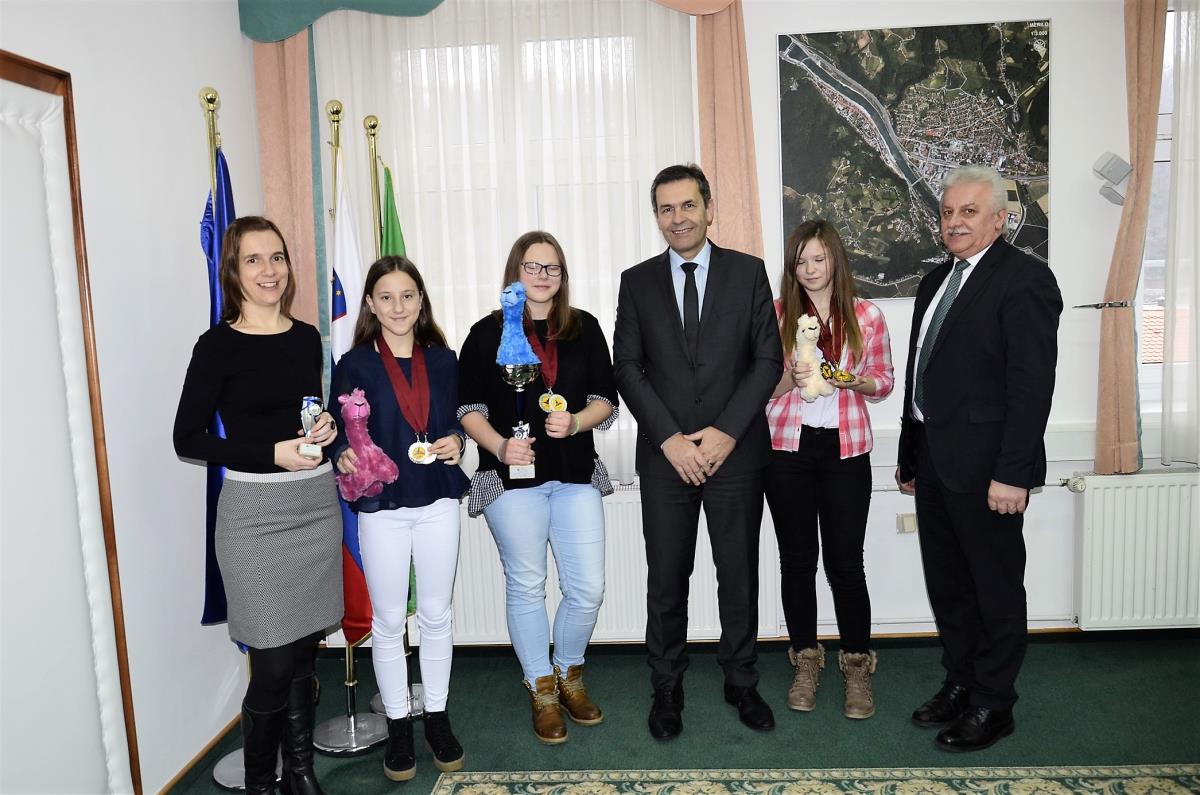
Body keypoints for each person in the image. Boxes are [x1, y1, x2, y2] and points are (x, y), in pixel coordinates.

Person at [613, 164, 782, 740]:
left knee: (738, 574)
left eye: (687, 205)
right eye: (666, 209)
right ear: (656, 216)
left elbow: (767, 361)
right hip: (666, 458)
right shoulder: (637, 282)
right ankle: (667, 685)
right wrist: (669, 439)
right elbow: (627, 368)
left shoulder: (748, 272)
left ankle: (742, 680)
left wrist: (725, 432)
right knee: (667, 578)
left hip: (736, 453)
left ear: (709, 208)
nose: (677, 218)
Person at [173, 216, 342, 795]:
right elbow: (188, 438)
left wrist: (325, 428)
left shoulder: (306, 337)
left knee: (302, 654)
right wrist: (270, 454)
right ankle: (260, 784)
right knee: (270, 664)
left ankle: (299, 771)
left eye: (277, 257)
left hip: (315, 506)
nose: (269, 271)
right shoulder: (217, 345)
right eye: (253, 260)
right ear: (233, 270)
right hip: (253, 516)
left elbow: (301, 415)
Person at [896, 165, 1062, 752]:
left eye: (968, 212)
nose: (955, 222)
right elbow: (922, 374)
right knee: (949, 587)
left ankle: (995, 702)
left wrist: (1012, 473)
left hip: (991, 472)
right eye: (947, 212)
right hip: (936, 465)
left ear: (1000, 218)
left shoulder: (1025, 280)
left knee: (994, 589)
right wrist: (910, 456)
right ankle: (961, 682)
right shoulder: (934, 282)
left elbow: (1031, 387)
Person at [458, 231, 619, 745]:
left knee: (587, 588)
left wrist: (576, 422)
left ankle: (569, 672)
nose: (543, 276)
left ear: (563, 275)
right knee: (526, 586)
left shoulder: (584, 327)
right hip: (512, 481)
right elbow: (467, 409)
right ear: (515, 271)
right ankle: (541, 688)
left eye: (552, 267)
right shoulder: (485, 333)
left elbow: (607, 400)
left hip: (574, 475)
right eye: (532, 266)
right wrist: (501, 446)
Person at [329, 256, 469, 780]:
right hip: (382, 507)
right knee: (388, 622)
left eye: (407, 295)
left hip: (436, 500)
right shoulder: (354, 363)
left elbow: (459, 420)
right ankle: (398, 724)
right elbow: (336, 427)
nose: (397, 307)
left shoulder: (444, 360)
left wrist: (457, 441)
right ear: (370, 303)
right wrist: (341, 452)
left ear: (421, 300)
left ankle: (437, 716)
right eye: (385, 297)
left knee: (436, 615)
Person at [764, 220, 894, 720]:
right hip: (787, 450)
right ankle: (805, 659)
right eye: (801, 261)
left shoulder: (867, 314)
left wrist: (853, 381)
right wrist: (788, 378)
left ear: (835, 259)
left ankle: (857, 664)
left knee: (845, 564)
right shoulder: (775, 315)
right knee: (797, 561)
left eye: (819, 258)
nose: (810, 269)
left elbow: (884, 382)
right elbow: (758, 390)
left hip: (846, 450)